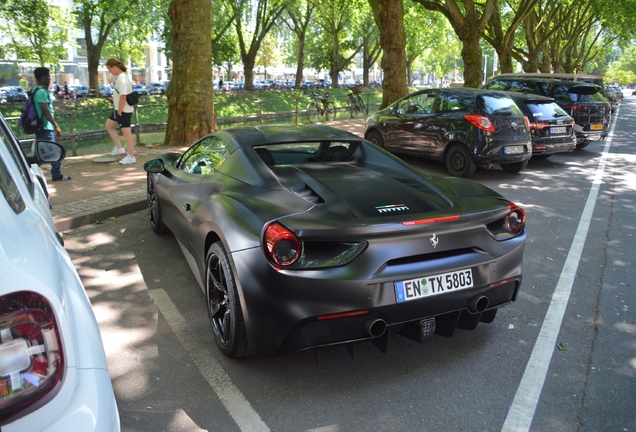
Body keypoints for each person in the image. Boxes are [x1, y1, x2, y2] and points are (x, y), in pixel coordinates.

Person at [32, 67, 71, 181]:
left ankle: (53, 172)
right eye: (48, 76)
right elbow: (45, 110)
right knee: (54, 150)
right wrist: (56, 126)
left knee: (45, 151)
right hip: (45, 126)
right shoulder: (41, 91)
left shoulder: (35, 89)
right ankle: (53, 173)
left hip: (41, 126)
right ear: (43, 77)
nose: (50, 79)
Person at [104, 58, 136, 164]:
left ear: (114, 67)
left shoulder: (122, 78)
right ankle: (119, 148)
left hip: (123, 110)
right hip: (119, 108)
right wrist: (113, 100)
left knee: (127, 134)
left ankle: (131, 156)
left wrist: (120, 111)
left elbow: (123, 96)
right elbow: (121, 95)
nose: (109, 71)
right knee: (109, 125)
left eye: (109, 68)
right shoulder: (122, 77)